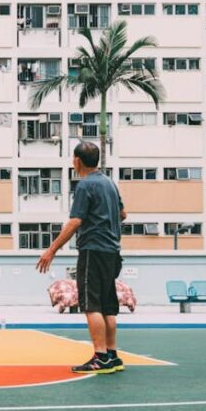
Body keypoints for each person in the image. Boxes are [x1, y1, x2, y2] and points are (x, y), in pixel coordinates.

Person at [36, 142, 127, 374]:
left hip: (93, 250)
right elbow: (123, 214)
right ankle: (113, 355)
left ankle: (100, 356)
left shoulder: (85, 186)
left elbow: (75, 221)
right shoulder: (109, 183)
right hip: (112, 252)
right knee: (108, 306)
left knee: (91, 305)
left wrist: (51, 250)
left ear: (77, 160)